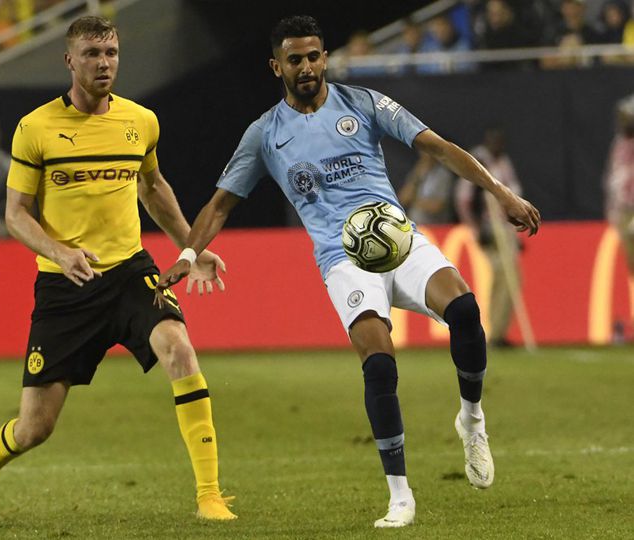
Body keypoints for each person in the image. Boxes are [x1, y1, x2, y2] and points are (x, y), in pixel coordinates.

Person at [155, 15, 540, 528]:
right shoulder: (265, 134)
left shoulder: (363, 103)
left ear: (324, 57)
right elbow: (221, 204)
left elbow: (437, 147)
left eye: (315, 56)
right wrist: (186, 255)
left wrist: (502, 192)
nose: (308, 66)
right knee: (380, 366)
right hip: (344, 260)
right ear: (277, 67)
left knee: (467, 312)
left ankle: (471, 419)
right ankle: (400, 496)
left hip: (398, 240)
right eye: (296, 59)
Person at [0, 15, 237, 523]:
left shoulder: (140, 121)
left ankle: (210, 495)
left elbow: (153, 187)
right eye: (92, 54)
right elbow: (15, 214)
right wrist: (60, 253)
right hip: (66, 287)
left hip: (129, 273)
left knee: (179, 348)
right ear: (69, 60)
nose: (104, 64)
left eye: (111, 53)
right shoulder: (35, 128)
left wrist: (191, 245)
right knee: (35, 428)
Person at [455, 128, 524, 347]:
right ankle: (493, 332)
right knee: (502, 275)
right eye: (494, 142)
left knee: (510, 278)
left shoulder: (503, 162)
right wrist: (476, 229)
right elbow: (464, 199)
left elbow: (514, 194)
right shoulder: (479, 161)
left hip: (505, 227)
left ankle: (498, 331)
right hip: (490, 227)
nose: (498, 146)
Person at [604, 94, 634, 339]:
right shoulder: (619, 143)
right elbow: (613, 180)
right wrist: (612, 210)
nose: (622, 123)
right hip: (624, 211)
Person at [398, 153, 457, 225]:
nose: (425, 155)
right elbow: (403, 198)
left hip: (434, 227)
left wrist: (413, 200)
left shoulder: (443, 174)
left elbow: (437, 206)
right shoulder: (418, 172)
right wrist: (416, 177)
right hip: (415, 225)